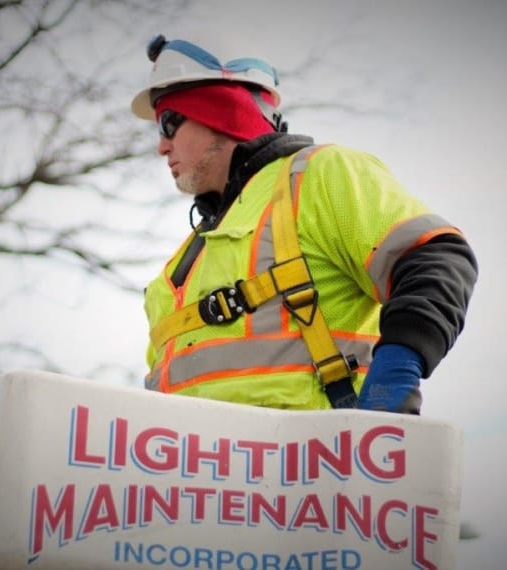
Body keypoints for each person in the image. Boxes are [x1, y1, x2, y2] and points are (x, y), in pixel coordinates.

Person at [130, 35, 478, 414]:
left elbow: (435, 257)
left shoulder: (316, 176)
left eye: (168, 123)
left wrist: (397, 368)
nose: (161, 147)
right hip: (195, 467)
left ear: (221, 113)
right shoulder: (182, 263)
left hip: (320, 462)